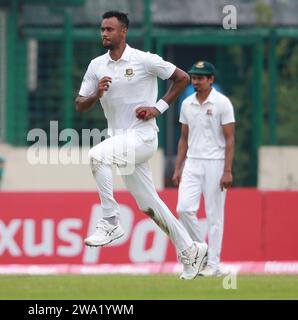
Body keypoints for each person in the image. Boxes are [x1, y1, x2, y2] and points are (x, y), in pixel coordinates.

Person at [75, 11, 207, 280]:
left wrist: (158, 108)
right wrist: (96, 93)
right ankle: (190, 250)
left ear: (123, 32)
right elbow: (80, 105)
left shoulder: (144, 60)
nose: (104, 34)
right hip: (121, 142)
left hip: (143, 138)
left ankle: (111, 221)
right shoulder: (96, 66)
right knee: (148, 204)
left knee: (97, 155)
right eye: (102, 29)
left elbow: (181, 78)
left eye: (110, 29)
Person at [172, 61, 235, 277]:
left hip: (216, 163)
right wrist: (178, 167)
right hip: (192, 162)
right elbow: (183, 138)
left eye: (200, 78)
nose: (196, 81)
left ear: (211, 80)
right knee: (183, 209)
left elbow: (230, 139)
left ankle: (214, 265)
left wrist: (227, 170)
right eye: (194, 77)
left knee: (214, 215)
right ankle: (204, 254)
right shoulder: (187, 103)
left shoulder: (222, 103)